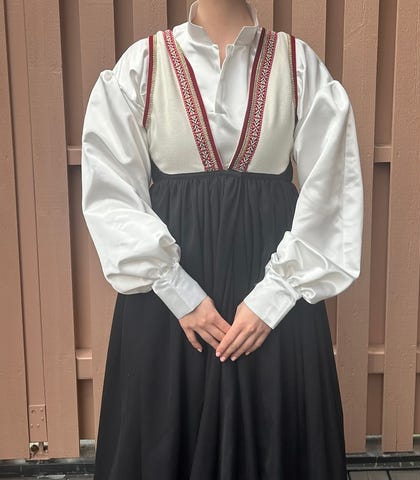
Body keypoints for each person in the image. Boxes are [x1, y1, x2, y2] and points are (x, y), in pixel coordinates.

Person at [81, 0, 364, 478]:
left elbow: (331, 187)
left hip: (273, 300)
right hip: (168, 308)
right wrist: (180, 293)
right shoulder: (142, 67)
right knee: (164, 436)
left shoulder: (297, 65)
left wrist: (273, 299)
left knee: (275, 437)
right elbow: (111, 192)